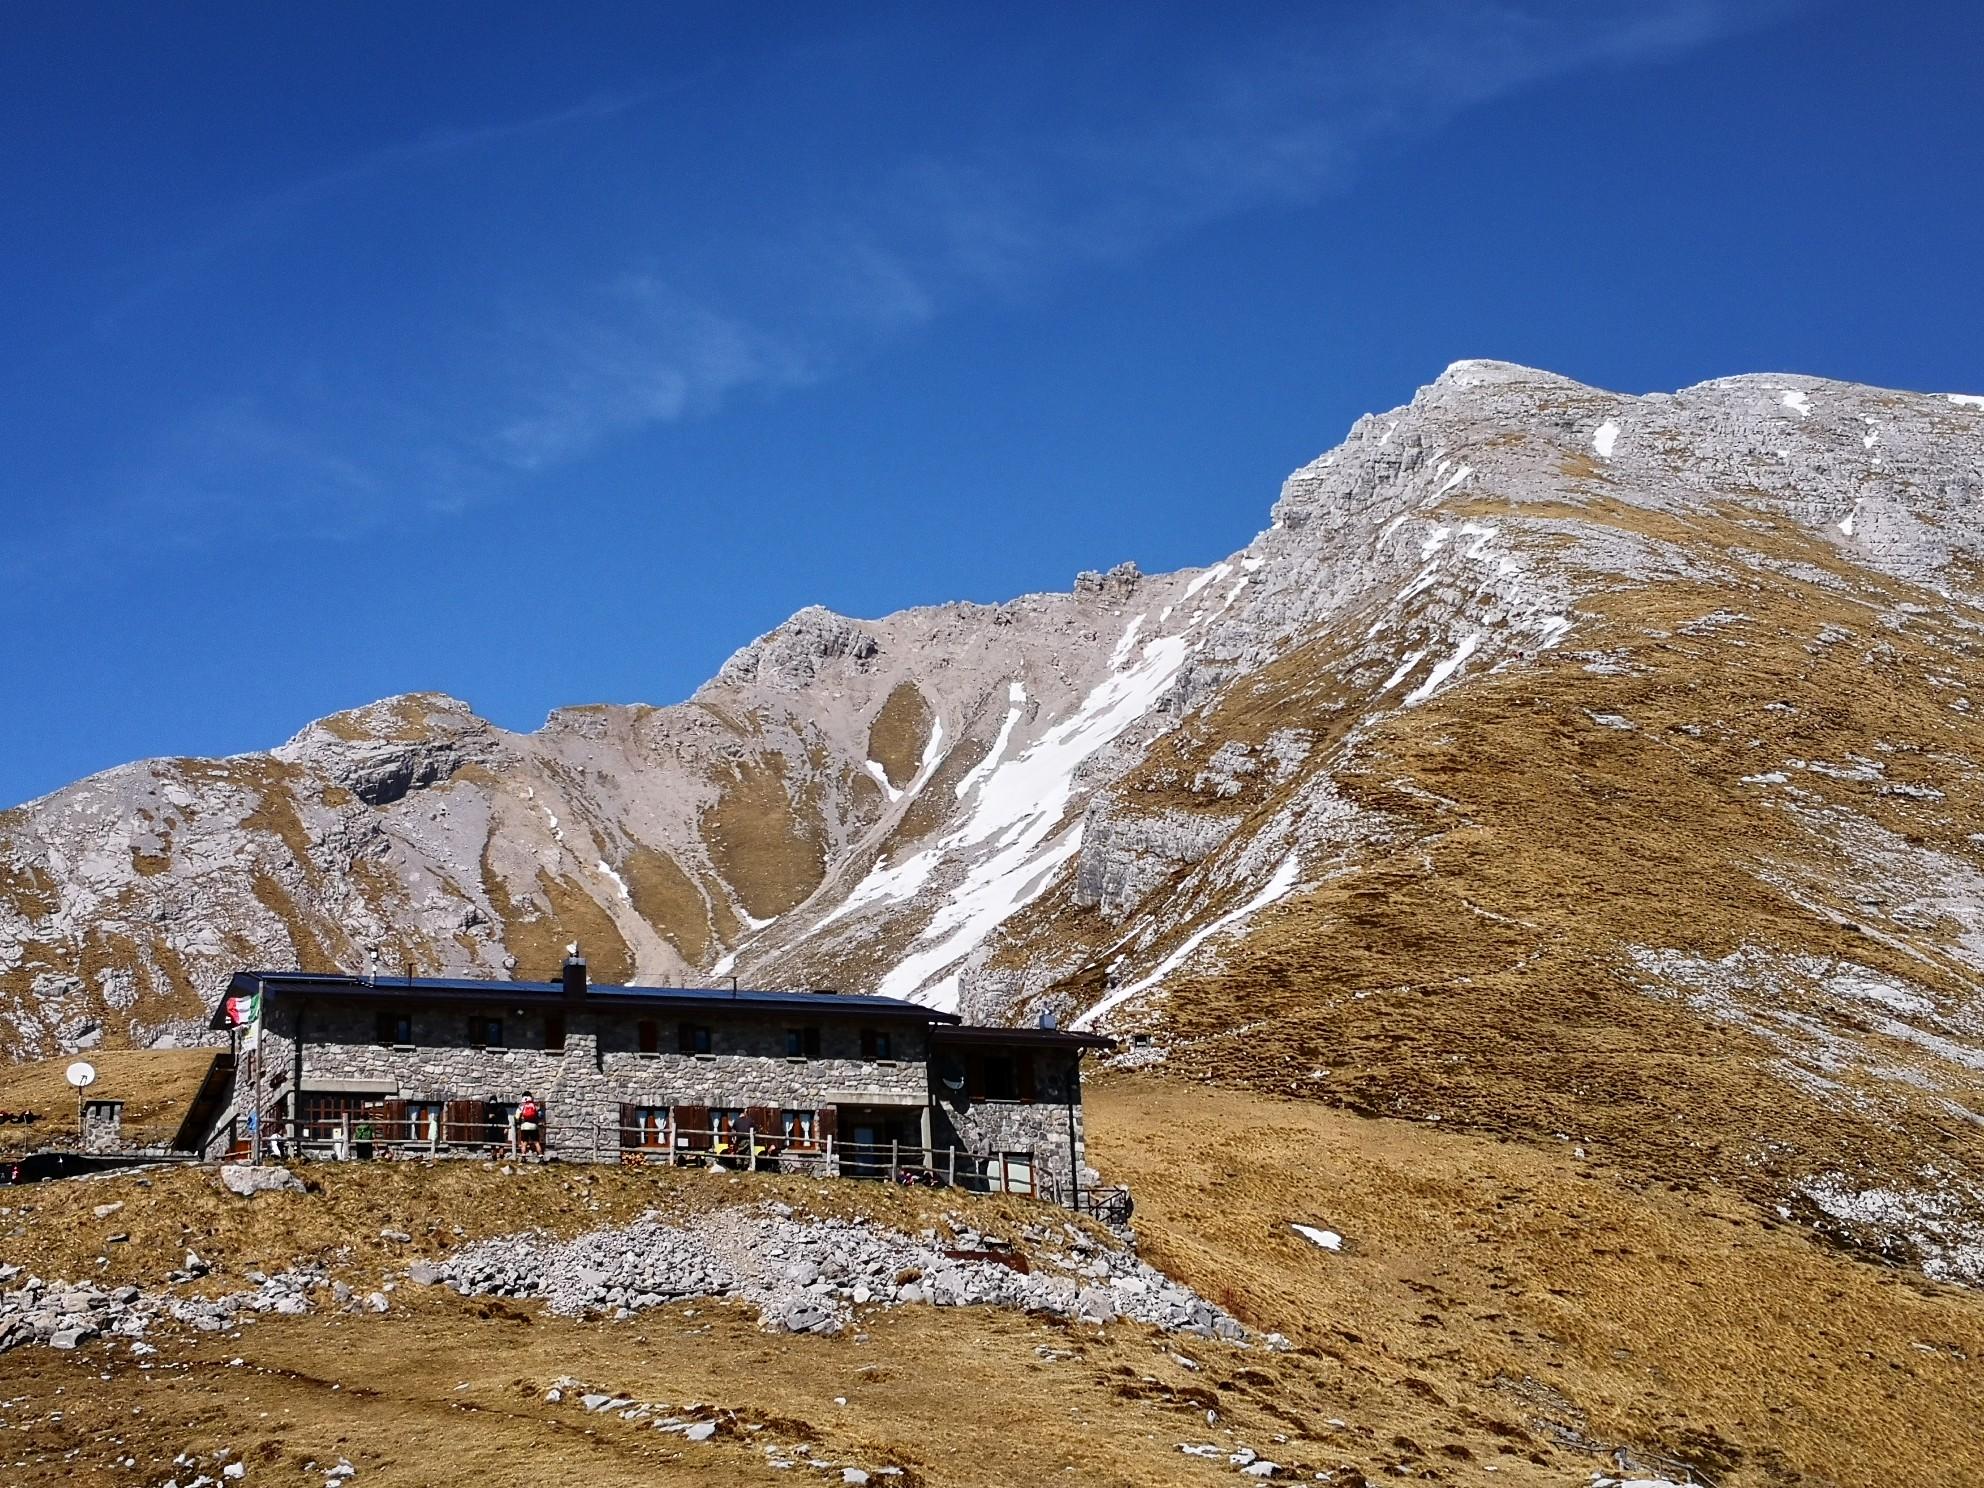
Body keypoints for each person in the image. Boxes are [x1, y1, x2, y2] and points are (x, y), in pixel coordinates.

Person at [517, 1092, 543, 1157]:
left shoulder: (521, 1106)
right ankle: (541, 1156)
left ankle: (523, 1156)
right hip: (534, 1126)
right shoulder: (535, 1105)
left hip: (524, 1126)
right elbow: (541, 1115)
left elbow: (517, 1117)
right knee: (536, 1142)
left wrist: (520, 1119)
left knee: (524, 1142)